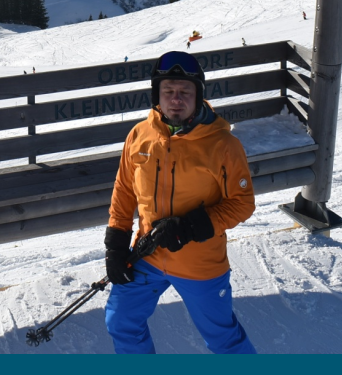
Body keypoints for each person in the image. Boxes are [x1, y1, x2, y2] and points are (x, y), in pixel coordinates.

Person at [103, 51, 257, 354]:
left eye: (185, 92)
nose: (176, 99)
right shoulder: (139, 135)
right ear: (156, 95)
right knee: (121, 321)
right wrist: (116, 244)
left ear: (198, 95)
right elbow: (124, 191)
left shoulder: (223, 145)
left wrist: (189, 227)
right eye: (168, 91)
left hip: (199, 263)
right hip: (147, 254)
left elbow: (242, 203)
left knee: (223, 339)